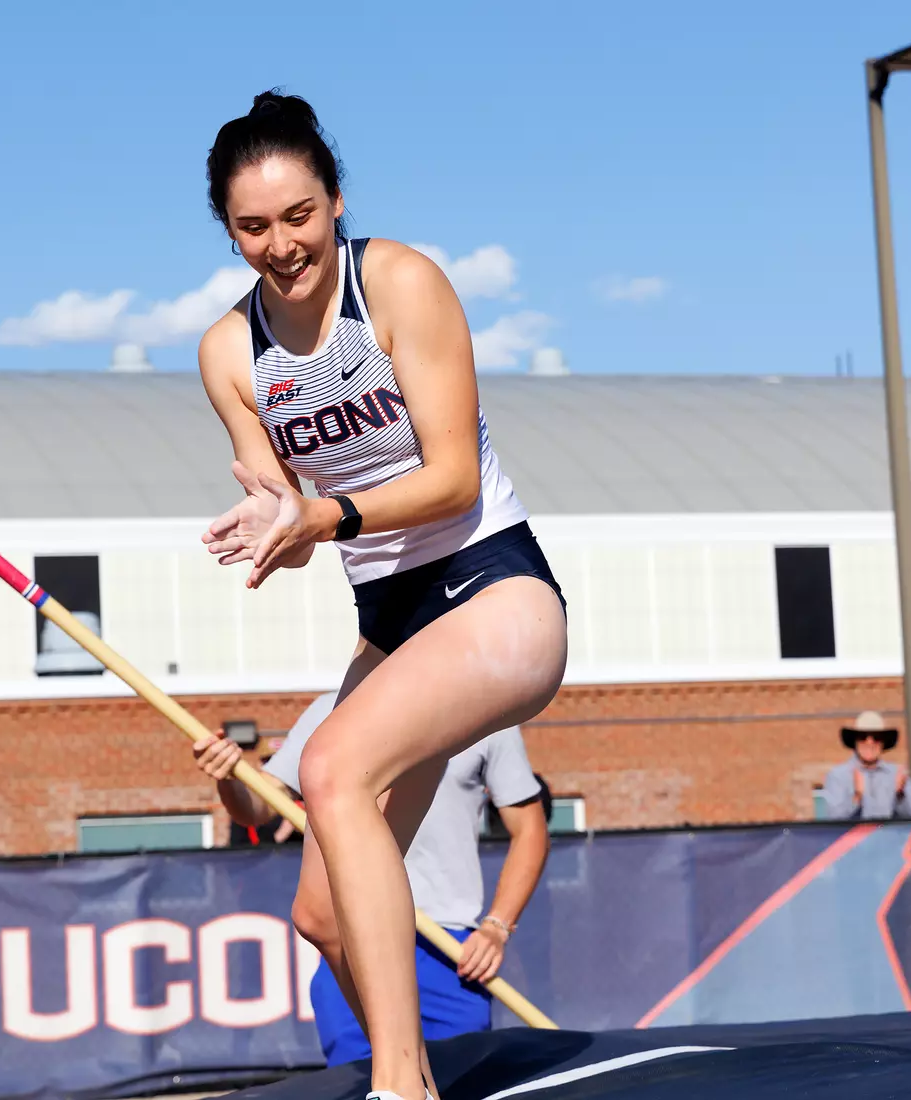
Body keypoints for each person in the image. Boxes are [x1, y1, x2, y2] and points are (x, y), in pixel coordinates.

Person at [196, 91, 568, 1100]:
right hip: (391, 622)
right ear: (229, 231)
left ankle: (398, 1084)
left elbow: (448, 478)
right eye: (255, 226)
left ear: (336, 201)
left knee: (332, 764)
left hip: (494, 591)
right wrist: (276, 524)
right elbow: (291, 510)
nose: (283, 245)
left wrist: (325, 516)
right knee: (320, 911)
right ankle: (421, 1080)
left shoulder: (399, 283)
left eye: (301, 215)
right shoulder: (231, 354)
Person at [191, 691, 550, 1065]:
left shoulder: (484, 708)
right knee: (366, 1080)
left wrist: (496, 927)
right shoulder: (332, 710)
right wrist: (229, 778)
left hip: (448, 950)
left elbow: (530, 830)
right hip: (352, 945)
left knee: (455, 1081)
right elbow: (258, 807)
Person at [821, 711, 911, 820]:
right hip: (856, 837)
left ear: (883, 743)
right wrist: (857, 798)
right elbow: (833, 821)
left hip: (890, 836)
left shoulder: (898, 775)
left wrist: (900, 794)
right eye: (863, 737)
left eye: (876, 738)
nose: (869, 742)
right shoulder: (838, 775)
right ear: (855, 741)